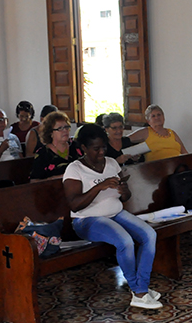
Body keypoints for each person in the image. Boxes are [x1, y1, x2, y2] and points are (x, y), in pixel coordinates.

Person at [63, 124, 160, 309]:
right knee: (125, 241)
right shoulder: (74, 169)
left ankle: (142, 286)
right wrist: (99, 186)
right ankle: (139, 292)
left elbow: (126, 197)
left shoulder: (112, 163)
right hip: (87, 220)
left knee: (150, 235)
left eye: (104, 147)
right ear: (83, 148)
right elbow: (75, 204)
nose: (101, 152)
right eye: (96, 148)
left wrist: (124, 191)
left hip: (116, 213)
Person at [30, 111, 82, 181]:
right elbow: (34, 181)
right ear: (51, 133)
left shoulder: (76, 146)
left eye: (66, 127)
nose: (65, 131)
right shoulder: (43, 153)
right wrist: (54, 179)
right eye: (60, 128)